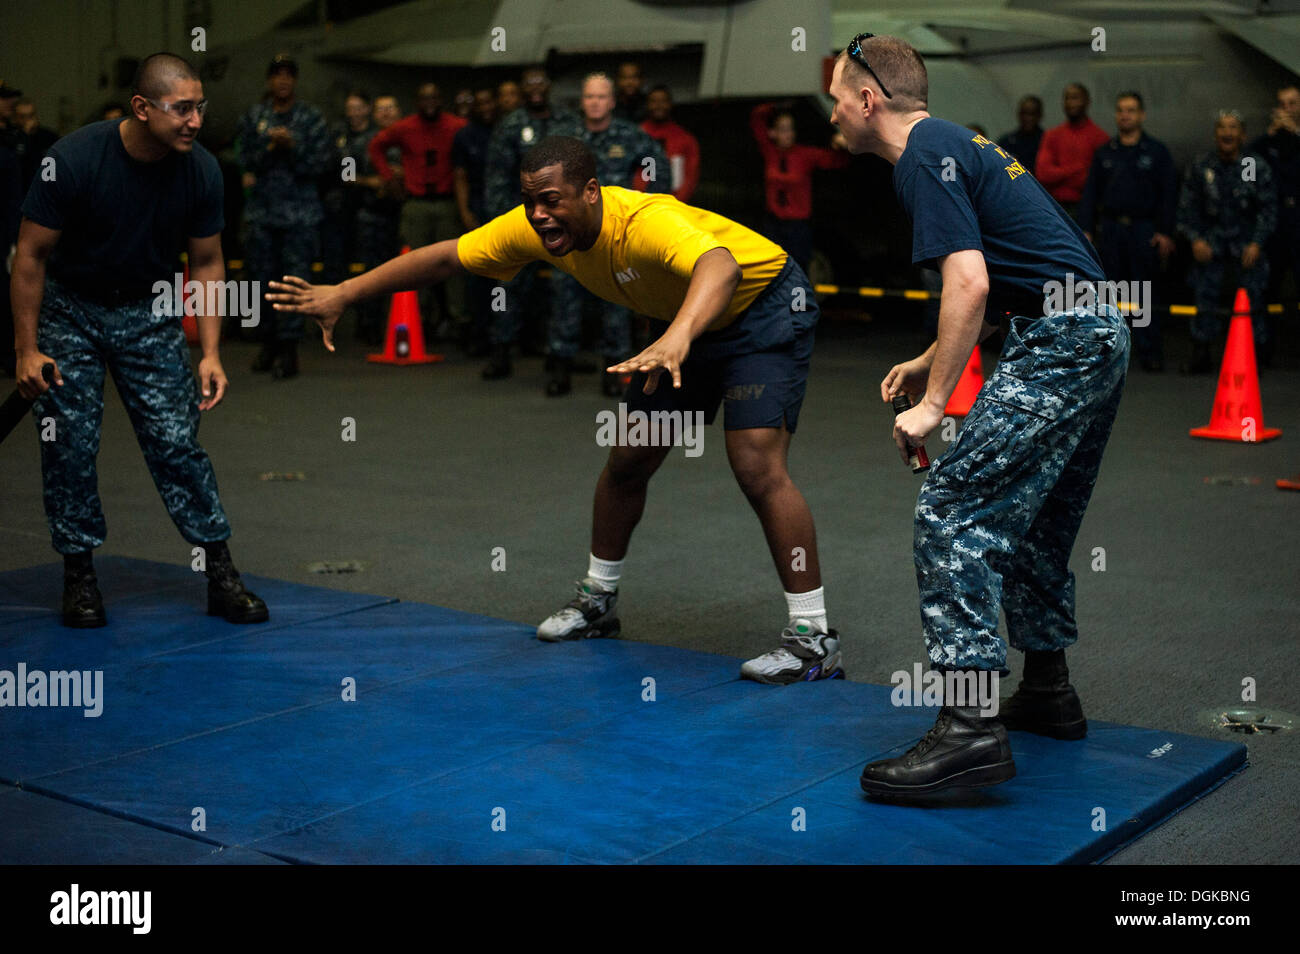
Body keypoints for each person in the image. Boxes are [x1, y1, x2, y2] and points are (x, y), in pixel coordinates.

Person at [267, 135, 843, 686]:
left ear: (590, 191)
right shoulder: (534, 230)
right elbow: (444, 258)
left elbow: (720, 266)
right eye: (530, 203)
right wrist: (343, 293)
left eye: (551, 200)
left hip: (763, 308)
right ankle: (597, 601)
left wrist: (679, 337)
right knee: (628, 460)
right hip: (684, 323)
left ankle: (813, 637)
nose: (539, 215)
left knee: (756, 465)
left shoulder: (645, 222)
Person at [829, 34, 1129, 798]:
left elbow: (966, 279)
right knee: (1035, 520)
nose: (831, 112)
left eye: (837, 97)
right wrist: (935, 358)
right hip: (1092, 329)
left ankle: (969, 732)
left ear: (869, 101)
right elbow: (1009, 276)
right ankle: (1049, 692)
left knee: (955, 514)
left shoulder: (923, 156)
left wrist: (934, 407)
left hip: (1061, 340)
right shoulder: (955, 143)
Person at [11, 52, 267, 628]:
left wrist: (210, 353)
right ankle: (79, 576)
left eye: (199, 107)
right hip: (70, 311)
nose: (195, 121)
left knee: (177, 443)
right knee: (69, 446)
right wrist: (27, 350)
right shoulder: (72, 160)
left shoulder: (201, 170)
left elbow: (205, 262)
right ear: (142, 108)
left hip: (149, 311)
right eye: (181, 110)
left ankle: (219, 573)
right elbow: (30, 257)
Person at [546, 73, 670, 397]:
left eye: (601, 97)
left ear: (612, 101)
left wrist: (648, 211)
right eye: (589, 97)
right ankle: (560, 367)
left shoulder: (630, 136)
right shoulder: (565, 138)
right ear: (582, 101)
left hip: (614, 235)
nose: (595, 103)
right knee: (565, 301)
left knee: (616, 302)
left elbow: (657, 167)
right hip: (570, 235)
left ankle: (614, 372)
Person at [235, 53, 330, 379]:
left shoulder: (311, 118)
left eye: (289, 75)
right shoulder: (255, 117)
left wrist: (293, 147)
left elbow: (321, 165)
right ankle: (269, 343)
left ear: (295, 81)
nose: (283, 80)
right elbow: (243, 160)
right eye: (277, 75)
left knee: (293, 284)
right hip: (262, 216)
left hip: (299, 217)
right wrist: (270, 149)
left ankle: (289, 349)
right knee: (262, 282)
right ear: (269, 81)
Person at [480, 67, 579, 379]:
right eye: (529, 84)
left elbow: (580, 169)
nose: (535, 88)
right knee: (508, 287)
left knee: (565, 290)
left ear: (549, 86)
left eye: (540, 82)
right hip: (522, 222)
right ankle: (501, 350)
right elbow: (497, 177)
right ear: (522, 89)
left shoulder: (568, 122)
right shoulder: (511, 125)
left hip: (562, 224)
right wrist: (502, 223)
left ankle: (561, 356)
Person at [1077, 92, 1177, 371]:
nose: (1125, 115)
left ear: (1141, 115)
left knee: (1143, 291)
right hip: (1111, 229)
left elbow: (1169, 194)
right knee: (1110, 292)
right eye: (1121, 110)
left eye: (1131, 110)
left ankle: (1148, 349)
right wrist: (1086, 229)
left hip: (1143, 228)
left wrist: (1165, 231)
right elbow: (1090, 195)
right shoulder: (1105, 152)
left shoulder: (1156, 152)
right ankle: (1111, 352)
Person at [368, 82, 468, 344]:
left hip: (448, 204)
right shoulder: (405, 127)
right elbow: (376, 146)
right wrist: (389, 178)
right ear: (416, 102)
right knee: (415, 266)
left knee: (456, 263)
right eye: (424, 98)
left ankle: (459, 321)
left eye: (434, 98)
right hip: (416, 204)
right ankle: (418, 322)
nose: (430, 103)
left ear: (441, 100)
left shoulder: (456, 125)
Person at [1177, 111, 1276, 373]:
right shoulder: (1203, 166)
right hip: (1211, 243)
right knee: (1204, 297)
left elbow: (1266, 209)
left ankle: (1253, 358)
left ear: (1242, 134)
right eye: (1222, 128)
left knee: (1251, 299)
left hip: (1245, 244)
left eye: (1233, 128)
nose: (1227, 133)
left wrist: (1257, 242)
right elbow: (1187, 209)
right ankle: (1201, 353)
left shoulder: (1251, 166)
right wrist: (1195, 240)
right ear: (1215, 134)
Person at [749, 101, 850, 272]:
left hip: (797, 226)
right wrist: (777, 105)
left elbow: (837, 161)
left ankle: (799, 299)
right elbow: (757, 118)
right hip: (773, 223)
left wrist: (840, 145)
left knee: (798, 271)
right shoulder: (770, 151)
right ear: (773, 133)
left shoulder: (804, 155)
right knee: (771, 270)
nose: (788, 134)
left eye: (790, 129)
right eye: (783, 129)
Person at [1250, 84, 1300, 368]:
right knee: (1266, 289)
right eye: (1282, 104)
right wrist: (1265, 139)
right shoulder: (1263, 147)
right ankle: (1262, 351)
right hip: (1274, 224)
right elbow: (1245, 168)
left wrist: (1295, 133)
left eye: (1292, 104)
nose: (1287, 110)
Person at [452, 87, 499, 355]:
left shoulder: (505, 130)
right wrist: (465, 212)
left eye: (488, 101)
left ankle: (506, 336)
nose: (485, 107)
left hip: (506, 211)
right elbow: (460, 177)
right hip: (478, 210)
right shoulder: (465, 136)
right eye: (479, 102)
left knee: (507, 278)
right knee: (478, 276)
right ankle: (480, 334)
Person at [321, 89, 374, 287]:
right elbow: (337, 168)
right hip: (338, 207)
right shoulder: (338, 134)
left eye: (358, 108)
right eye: (350, 109)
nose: (354, 113)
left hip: (367, 209)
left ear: (367, 109)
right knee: (334, 262)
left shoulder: (375, 136)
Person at [1036, 83, 1109, 220]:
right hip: (1055, 207)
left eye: (1075, 98)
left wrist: (1059, 173)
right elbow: (1043, 174)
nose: (1070, 103)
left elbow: (1094, 181)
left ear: (1087, 101)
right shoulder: (1052, 135)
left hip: (1088, 209)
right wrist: (1078, 168)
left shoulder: (1100, 138)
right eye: (1067, 98)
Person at [641, 84, 700, 203]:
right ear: (647, 104)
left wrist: (676, 204)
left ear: (670, 104)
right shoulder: (635, 135)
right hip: (639, 204)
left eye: (663, 101)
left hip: (674, 204)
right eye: (654, 101)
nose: (658, 105)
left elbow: (690, 177)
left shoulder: (685, 139)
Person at [11, 98, 60, 190]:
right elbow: (15, 163)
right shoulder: (11, 139)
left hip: (47, 187)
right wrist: (25, 135)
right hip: (22, 190)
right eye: (23, 117)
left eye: (31, 115)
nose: (29, 120)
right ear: (15, 119)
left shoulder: (49, 136)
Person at [996, 95, 1043, 177]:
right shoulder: (1006, 142)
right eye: (1024, 113)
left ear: (1039, 115)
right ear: (1019, 114)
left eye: (1032, 114)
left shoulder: (1047, 141)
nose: (1028, 118)